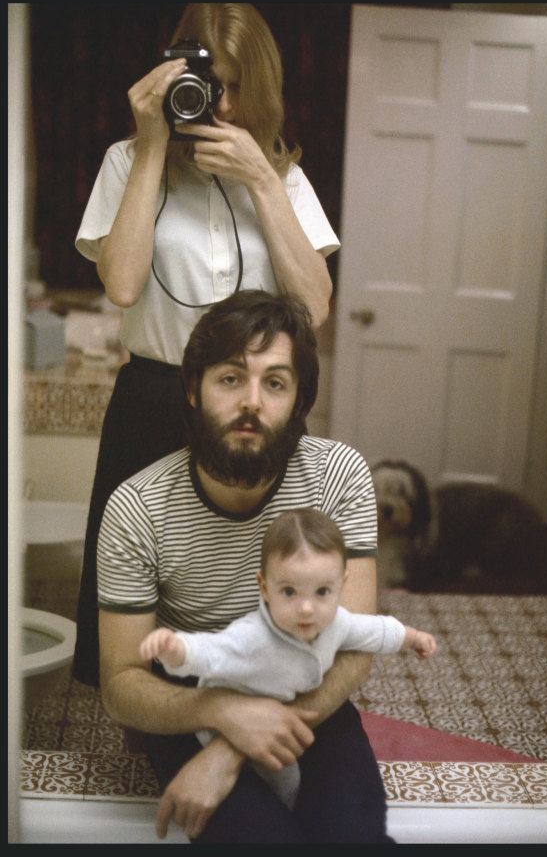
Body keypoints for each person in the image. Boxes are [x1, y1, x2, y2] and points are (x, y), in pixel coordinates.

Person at [72, 3, 339, 687]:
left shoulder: (284, 178)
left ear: (264, 88)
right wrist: (153, 142)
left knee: (256, 572)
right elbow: (124, 285)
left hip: (257, 402)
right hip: (154, 397)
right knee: (142, 587)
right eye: (206, 81)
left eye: (236, 84)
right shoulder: (127, 162)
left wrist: (260, 178)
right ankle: (150, 720)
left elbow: (314, 306)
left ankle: (248, 698)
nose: (220, 103)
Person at [97, 289, 392, 844]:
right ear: (193, 389)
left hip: (311, 690)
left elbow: (353, 649)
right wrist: (221, 715)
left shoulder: (340, 479)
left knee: (354, 839)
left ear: (299, 400)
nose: (251, 402)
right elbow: (119, 683)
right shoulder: (137, 508)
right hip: (192, 702)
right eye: (231, 378)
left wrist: (233, 749)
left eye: (275, 383)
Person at [139, 508, 437, 811]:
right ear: (265, 587)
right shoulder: (253, 637)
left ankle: (289, 811)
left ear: (341, 585)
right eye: (290, 592)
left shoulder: (337, 622)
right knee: (257, 790)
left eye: (322, 591)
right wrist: (175, 649)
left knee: (290, 781)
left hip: (279, 714)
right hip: (229, 724)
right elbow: (209, 651)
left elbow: (374, 630)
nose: (306, 608)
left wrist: (412, 638)